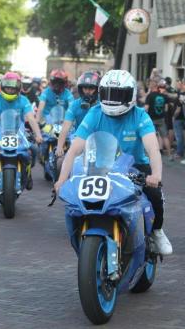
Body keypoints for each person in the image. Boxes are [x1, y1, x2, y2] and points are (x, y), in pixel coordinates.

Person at [54, 70, 173, 256]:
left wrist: (156, 175)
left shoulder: (140, 116)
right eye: (109, 94)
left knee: (155, 194)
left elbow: (152, 149)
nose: (113, 99)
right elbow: (75, 149)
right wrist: (62, 179)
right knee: (76, 202)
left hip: (135, 167)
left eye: (118, 94)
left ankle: (156, 231)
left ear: (131, 94)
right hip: (99, 166)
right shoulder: (94, 113)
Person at [0, 72, 43, 187]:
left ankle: (27, 173)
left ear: (18, 88)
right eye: (7, 88)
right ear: (2, 86)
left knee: (33, 149)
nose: (10, 90)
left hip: (19, 133)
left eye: (13, 89)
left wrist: (38, 135)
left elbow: (31, 119)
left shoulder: (23, 100)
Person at [55, 71, 100, 158]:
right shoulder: (74, 105)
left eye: (91, 88)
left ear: (97, 89)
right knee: (60, 163)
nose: (87, 91)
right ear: (80, 88)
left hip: (99, 144)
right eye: (85, 88)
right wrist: (59, 147)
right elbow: (65, 127)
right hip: (79, 143)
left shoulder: (102, 105)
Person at [145, 79, 173, 160]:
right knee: (165, 137)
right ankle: (169, 155)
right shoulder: (163, 96)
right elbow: (167, 109)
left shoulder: (150, 96)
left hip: (151, 119)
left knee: (151, 137)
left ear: (151, 86)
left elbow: (146, 108)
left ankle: (150, 155)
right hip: (161, 119)